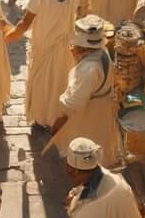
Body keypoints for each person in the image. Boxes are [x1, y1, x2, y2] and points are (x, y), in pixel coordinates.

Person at [5, 0, 78, 131]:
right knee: (60, 83)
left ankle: (43, 118)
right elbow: (75, 9)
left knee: (43, 86)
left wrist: (6, 38)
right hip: (65, 47)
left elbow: (24, 24)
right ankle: (59, 117)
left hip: (44, 49)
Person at [46, 15, 121, 164]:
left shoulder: (90, 69)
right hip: (100, 109)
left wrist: (58, 124)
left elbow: (73, 104)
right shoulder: (102, 51)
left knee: (86, 148)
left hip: (89, 114)